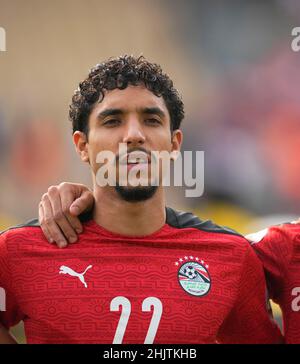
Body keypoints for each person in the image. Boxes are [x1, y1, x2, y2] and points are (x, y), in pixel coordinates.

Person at [0, 55, 282, 344]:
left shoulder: (231, 257)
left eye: (151, 120)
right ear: (82, 146)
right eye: (112, 121)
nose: (134, 135)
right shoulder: (17, 252)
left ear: (174, 144)